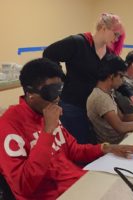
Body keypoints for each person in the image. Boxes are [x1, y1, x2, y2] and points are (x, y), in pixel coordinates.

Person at [0, 58, 133, 200]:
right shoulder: (9, 125)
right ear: (30, 94)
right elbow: (23, 186)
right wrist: (47, 132)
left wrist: (107, 148)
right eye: (51, 92)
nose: (57, 98)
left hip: (78, 185)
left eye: (59, 90)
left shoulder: (46, 111)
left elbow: (74, 150)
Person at [43, 13, 125, 144]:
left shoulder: (109, 53)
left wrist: (130, 93)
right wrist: (62, 78)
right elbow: (48, 54)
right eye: (115, 34)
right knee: (75, 146)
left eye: (118, 36)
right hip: (74, 105)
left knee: (90, 146)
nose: (116, 39)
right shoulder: (78, 42)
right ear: (103, 28)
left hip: (94, 108)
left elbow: (117, 75)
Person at [87, 54, 133, 144]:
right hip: (115, 144)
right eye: (121, 76)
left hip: (123, 139)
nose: (122, 81)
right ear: (111, 76)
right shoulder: (100, 98)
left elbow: (122, 118)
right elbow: (120, 127)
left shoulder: (107, 93)